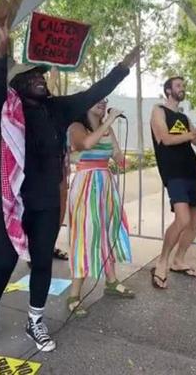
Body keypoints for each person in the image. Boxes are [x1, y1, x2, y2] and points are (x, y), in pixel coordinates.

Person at [0, 21, 141, 352]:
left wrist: (124, 66)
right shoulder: (6, 109)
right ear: (17, 85)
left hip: (47, 202)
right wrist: (1, 51)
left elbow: (93, 92)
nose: (40, 78)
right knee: (4, 264)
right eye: (32, 76)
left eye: (41, 76)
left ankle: (35, 320)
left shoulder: (58, 108)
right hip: (14, 203)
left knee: (41, 261)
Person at [65, 98, 134, 317]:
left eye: (105, 100)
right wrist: (109, 121)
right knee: (86, 236)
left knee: (109, 231)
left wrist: (122, 159)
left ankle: (111, 281)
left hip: (106, 185)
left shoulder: (107, 128)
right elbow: (84, 144)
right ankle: (74, 294)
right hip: (86, 185)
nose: (103, 103)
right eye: (97, 99)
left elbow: (117, 156)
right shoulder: (76, 127)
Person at [149, 76, 196, 289]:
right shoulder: (158, 110)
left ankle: (178, 260)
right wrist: (192, 133)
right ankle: (162, 261)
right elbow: (164, 138)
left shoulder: (183, 116)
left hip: (193, 171)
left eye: (184, 85)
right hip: (174, 173)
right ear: (168, 90)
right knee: (182, 219)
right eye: (178, 85)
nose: (182, 88)